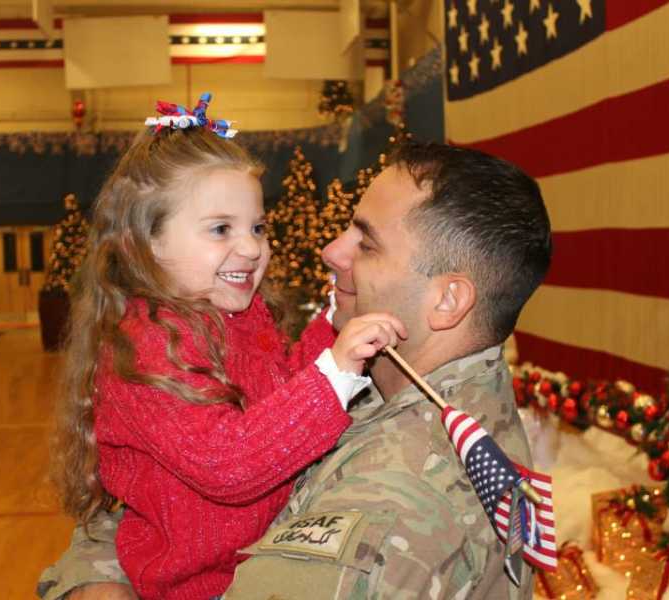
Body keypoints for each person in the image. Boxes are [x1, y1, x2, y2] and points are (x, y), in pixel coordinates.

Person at [38, 141, 552, 600]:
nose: (331, 250)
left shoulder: (393, 503)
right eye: (219, 228)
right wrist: (98, 580)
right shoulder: (392, 380)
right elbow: (162, 490)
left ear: (448, 300)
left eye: (366, 243)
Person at [49, 95, 406, 600]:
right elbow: (229, 466)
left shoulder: (238, 314)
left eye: (257, 226)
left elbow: (281, 396)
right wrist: (337, 370)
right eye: (221, 229)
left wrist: (333, 324)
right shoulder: (146, 347)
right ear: (145, 244)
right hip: (194, 589)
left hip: (253, 566)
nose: (252, 247)